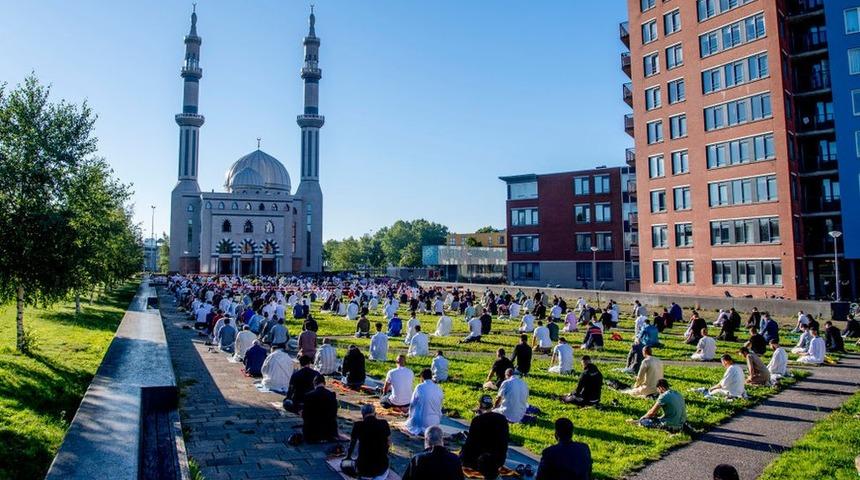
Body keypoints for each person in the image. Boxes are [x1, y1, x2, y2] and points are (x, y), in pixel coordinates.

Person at [459, 395, 509, 473]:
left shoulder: (477, 420)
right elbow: (505, 442)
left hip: (478, 463)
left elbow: (470, 443)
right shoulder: (503, 419)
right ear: (492, 405)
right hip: (498, 462)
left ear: (479, 406)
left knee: (463, 452)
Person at [346, 404, 391, 480]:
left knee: (345, 465)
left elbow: (352, 445)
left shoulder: (358, 425)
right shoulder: (384, 423)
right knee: (383, 470)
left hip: (363, 469)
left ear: (363, 415)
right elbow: (388, 443)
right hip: (381, 467)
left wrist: (348, 457)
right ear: (375, 414)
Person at [405, 369, 444, 436]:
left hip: (423, 423)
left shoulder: (419, 387)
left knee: (408, 424)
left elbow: (412, 404)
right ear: (431, 377)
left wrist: (410, 416)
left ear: (422, 377)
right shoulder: (438, 388)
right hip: (436, 423)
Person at [302, 375, 339, 443]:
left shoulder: (308, 395)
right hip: (329, 433)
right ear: (324, 383)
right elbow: (334, 414)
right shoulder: (332, 395)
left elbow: (305, 415)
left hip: (312, 434)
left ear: (314, 384)